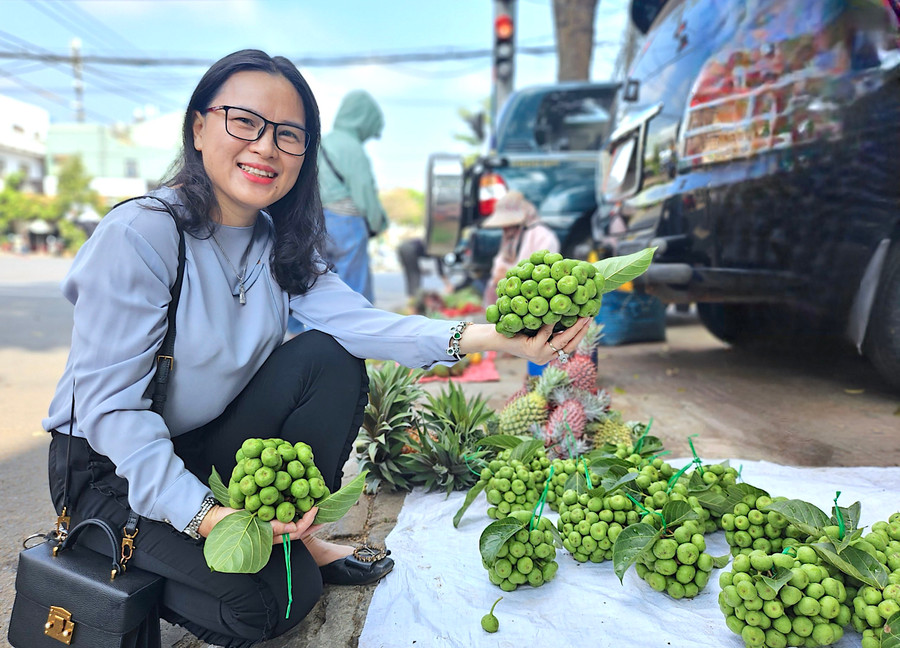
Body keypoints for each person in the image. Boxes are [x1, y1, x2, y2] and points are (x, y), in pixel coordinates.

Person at [41, 49, 591, 648]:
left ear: (305, 154)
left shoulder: (279, 243)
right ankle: (109, 543)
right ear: (198, 128)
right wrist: (207, 516)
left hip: (201, 440)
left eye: (289, 135)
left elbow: (364, 324)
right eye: (243, 121)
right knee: (275, 602)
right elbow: (112, 413)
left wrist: (488, 336)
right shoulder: (142, 234)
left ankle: (298, 535)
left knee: (329, 358)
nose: (266, 147)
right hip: (110, 466)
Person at [318, 89, 388, 302]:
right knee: (353, 292)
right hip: (347, 222)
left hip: (314, 220)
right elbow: (364, 192)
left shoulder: (322, 142)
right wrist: (378, 224)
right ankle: (354, 336)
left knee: (319, 287)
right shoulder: (353, 148)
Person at [481, 190, 561, 306]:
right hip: (508, 296)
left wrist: (507, 274)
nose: (504, 228)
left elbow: (542, 271)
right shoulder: (511, 237)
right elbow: (500, 263)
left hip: (532, 300)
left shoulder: (542, 235)